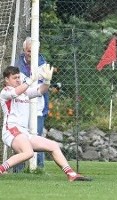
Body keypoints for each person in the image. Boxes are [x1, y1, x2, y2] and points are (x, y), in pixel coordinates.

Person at [0, 66, 91, 182]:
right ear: (7, 80)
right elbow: (15, 93)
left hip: (23, 132)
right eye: (14, 78)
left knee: (53, 146)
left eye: (19, 77)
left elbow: (41, 90)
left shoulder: (24, 93)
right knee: (28, 153)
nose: (18, 80)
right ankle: (1, 169)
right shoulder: (5, 91)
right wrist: (30, 80)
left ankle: (71, 174)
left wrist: (47, 81)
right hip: (11, 130)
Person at [14, 37, 48, 171]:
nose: (30, 54)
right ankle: (18, 170)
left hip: (38, 108)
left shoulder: (43, 65)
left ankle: (39, 168)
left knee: (37, 139)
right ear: (24, 50)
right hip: (22, 107)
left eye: (33, 51)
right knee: (20, 139)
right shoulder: (17, 65)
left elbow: (44, 87)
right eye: (28, 51)